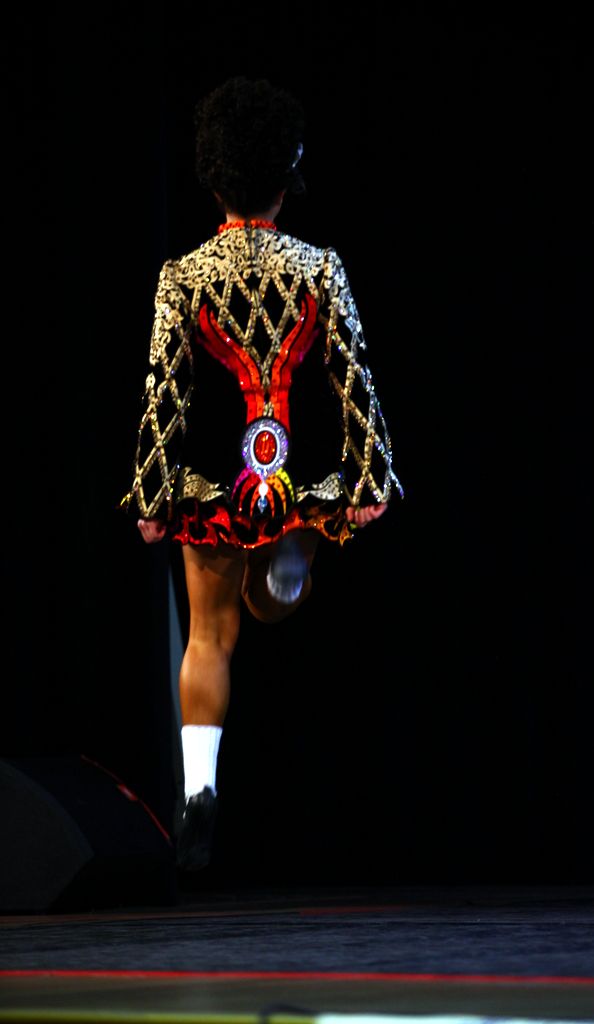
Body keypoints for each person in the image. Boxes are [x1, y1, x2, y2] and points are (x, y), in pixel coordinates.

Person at [120, 76, 403, 872]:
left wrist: (151, 495)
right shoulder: (319, 266)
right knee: (271, 602)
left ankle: (198, 791)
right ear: (285, 177)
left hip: (216, 476)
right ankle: (287, 570)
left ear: (214, 179)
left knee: (210, 636)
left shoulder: (183, 274)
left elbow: (164, 391)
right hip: (297, 470)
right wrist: (370, 476)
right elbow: (353, 375)